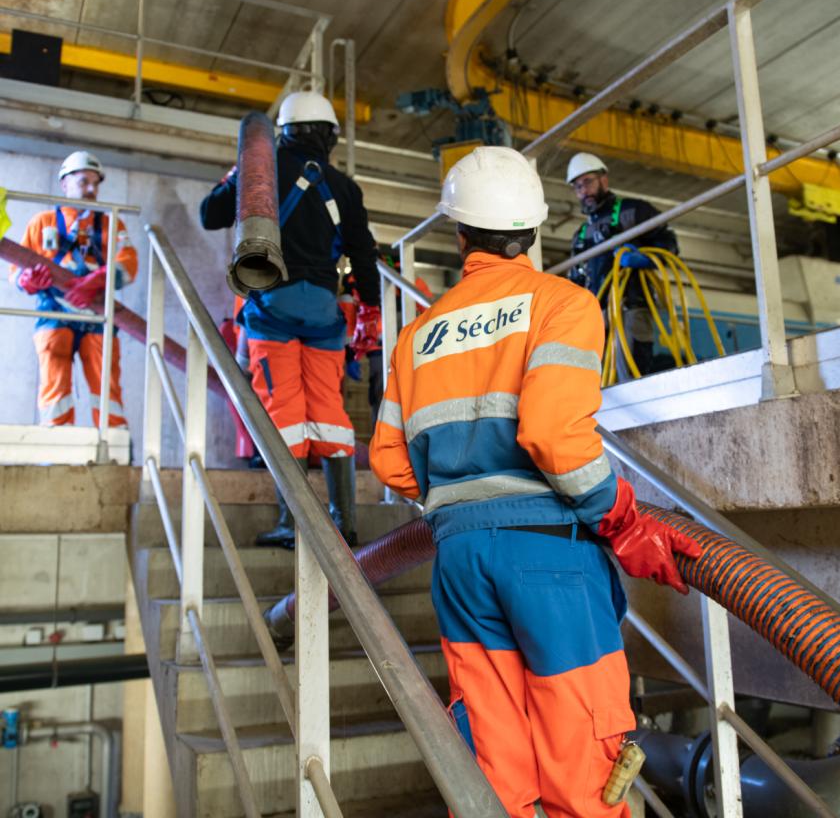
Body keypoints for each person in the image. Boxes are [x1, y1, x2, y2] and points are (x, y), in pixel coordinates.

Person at [370, 146, 701, 818]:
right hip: (550, 555)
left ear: (458, 233)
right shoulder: (563, 305)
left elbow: (389, 460)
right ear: (535, 227)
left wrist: (458, 493)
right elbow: (553, 436)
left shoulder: (418, 334)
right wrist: (623, 521)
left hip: (460, 562)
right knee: (584, 767)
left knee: (494, 768)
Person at [200, 92, 380, 549]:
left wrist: (237, 174)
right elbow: (363, 255)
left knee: (285, 414)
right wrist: (372, 312)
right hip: (324, 310)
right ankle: (344, 522)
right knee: (330, 413)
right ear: (329, 137)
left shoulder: (260, 170)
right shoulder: (345, 186)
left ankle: (292, 523)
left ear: (282, 132)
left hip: (273, 305)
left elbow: (210, 215)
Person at [10, 150, 138, 427]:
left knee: (107, 387)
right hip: (54, 311)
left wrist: (98, 279)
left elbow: (128, 263)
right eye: (84, 182)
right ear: (65, 183)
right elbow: (16, 271)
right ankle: (57, 447)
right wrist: (28, 281)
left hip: (98, 313)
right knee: (55, 386)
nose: (92, 189)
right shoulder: (41, 222)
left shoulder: (111, 223)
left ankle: (112, 444)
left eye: (96, 183)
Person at [567, 152, 678, 378]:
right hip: (596, 313)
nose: (584, 191)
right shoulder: (581, 235)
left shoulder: (634, 211)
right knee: (596, 379)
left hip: (631, 306)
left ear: (604, 179)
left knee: (630, 374)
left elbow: (668, 243)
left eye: (588, 181)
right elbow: (575, 280)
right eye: (578, 187)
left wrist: (645, 258)